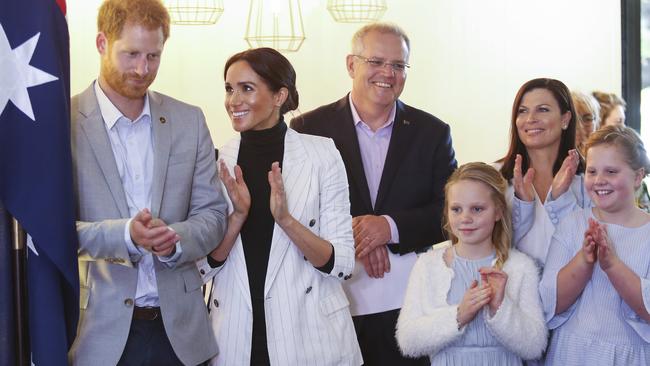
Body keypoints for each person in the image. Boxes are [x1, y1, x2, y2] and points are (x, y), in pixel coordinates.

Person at [68, 1, 227, 365]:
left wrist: (173, 242)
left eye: (153, 56)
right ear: (101, 43)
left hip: (182, 337)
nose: (143, 69)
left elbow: (213, 215)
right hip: (98, 337)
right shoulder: (63, 123)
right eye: (131, 54)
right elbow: (53, 232)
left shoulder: (189, 120)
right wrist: (125, 235)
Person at [291, 22, 457, 365]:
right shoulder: (308, 129)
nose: (388, 73)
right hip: (332, 300)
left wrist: (389, 227)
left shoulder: (432, 132)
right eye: (377, 62)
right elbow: (297, 211)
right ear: (352, 65)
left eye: (398, 65)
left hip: (407, 307)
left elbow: (452, 213)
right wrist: (357, 234)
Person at [196, 47, 362, 365]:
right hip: (235, 338)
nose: (234, 100)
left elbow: (343, 263)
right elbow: (199, 271)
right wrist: (237, 219)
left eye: (247, 88)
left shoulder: (322, 155)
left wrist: (286, 220)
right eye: (229, 89)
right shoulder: (215, 161)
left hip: (309, 335)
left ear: (279, 96)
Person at [396, 162, 547, 364]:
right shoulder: (427, 265)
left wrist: (499, 308)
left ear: (498, 211)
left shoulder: (520, 267)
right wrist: (458, 315)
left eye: (477, 209)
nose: (465, 218)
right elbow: (408, 341)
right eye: (456, 209)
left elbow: (534, 346)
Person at [539, 125, 650, 365]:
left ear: (638, 176)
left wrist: (611, 265)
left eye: (611, 171)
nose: (599, 180)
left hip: (629, 355)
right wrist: (584, 260)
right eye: (592, 171)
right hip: (572, 352)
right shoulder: (572, 224)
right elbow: (551, 302)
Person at [497, 78, 589, 267]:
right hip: (512, 293)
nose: (531, 119)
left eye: (543, 109)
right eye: (523, 111)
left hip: (576, 293)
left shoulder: (589, 180)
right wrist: (522, 204)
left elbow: (590, 247)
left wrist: (561, 198)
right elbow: (488, 245)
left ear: (565, 119)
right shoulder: (495, 178)